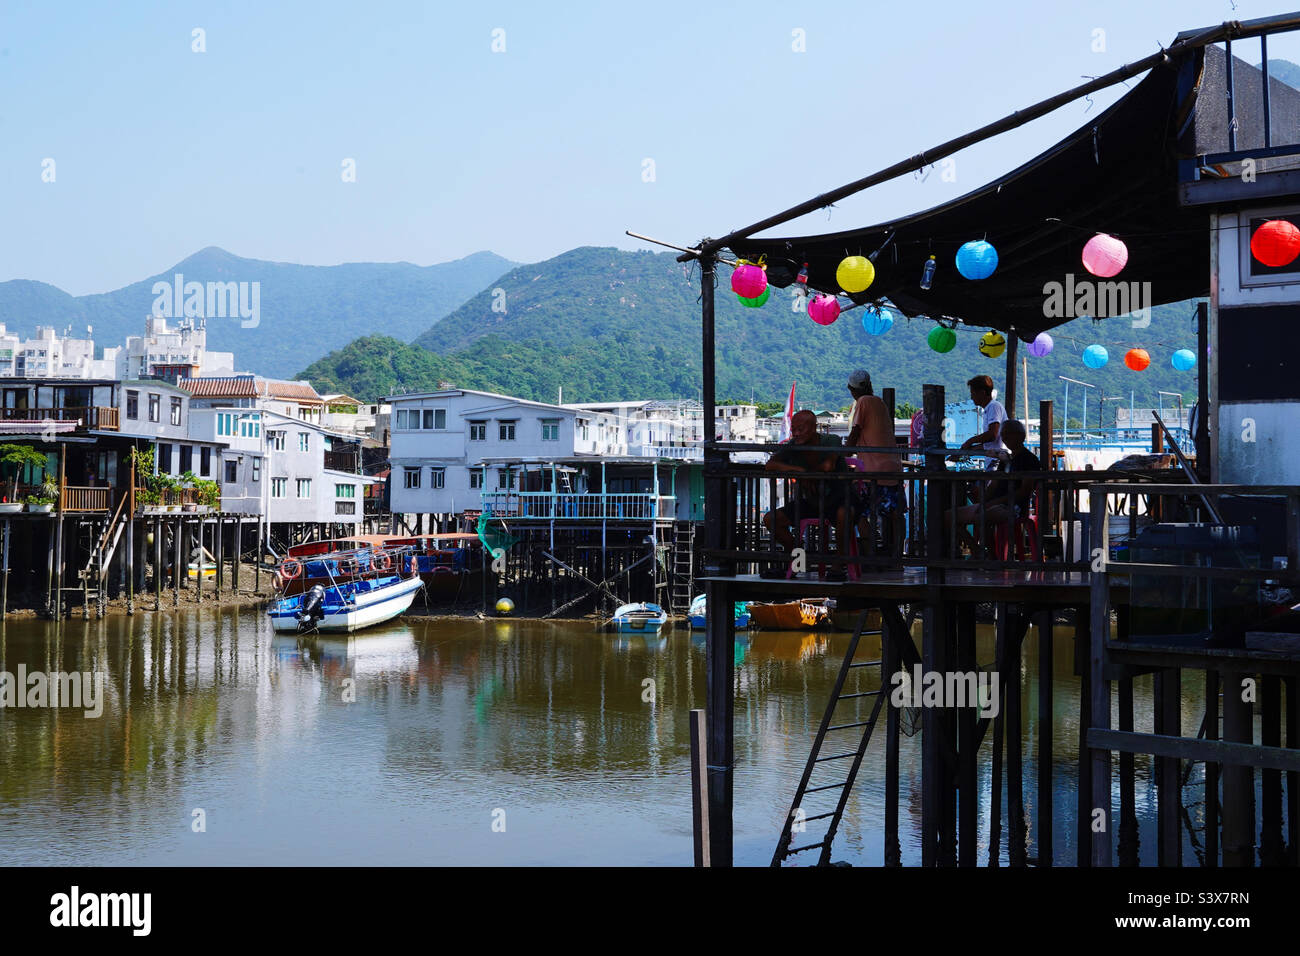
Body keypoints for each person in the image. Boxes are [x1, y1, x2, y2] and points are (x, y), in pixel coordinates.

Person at [761, 409, 854, 579]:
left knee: (843, 514)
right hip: (812, 502)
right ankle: (799, 557)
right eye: (793, 429)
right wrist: (800, 471)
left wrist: (807, 475)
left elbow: (828, 466)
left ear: (813, 428)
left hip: (839, 498)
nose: (796, 433)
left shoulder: (830, 440)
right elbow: (770, 465)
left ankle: (838, 566)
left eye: (800, 429)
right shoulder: (793, 446)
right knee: (770, 519)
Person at [945, 419, 1039, 553]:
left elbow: (1024, 491)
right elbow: (994, 485)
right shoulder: (1006, 459)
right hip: (995, 504)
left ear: (1020, 436)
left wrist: (992, 502)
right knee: (949, 516)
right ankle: (977, 551)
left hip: (1014, 507)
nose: (1004, 437)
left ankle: (992, 556)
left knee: (981, 517)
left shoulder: (1029, 459)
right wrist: (983, 501)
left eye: (1008, 434)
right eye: (1003, 434)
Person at [845, 370, 903, 552]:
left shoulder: (862, 402)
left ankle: (870, 552)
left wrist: (841, 454)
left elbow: (855, 433)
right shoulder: (880, 403)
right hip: (893, 468)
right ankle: (896, 554)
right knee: (894, 513)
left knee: (856, 511)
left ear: (851, 389)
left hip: (872, 470)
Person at [960, 374, 1008, 468]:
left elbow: (992, 435)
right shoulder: (988, 409)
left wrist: (969, 441)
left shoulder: (994, 406)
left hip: (997, 461)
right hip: (993, 459)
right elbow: (990, 444)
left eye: (973, 393)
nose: (972, 397)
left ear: (982, 393)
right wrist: (967, 451)